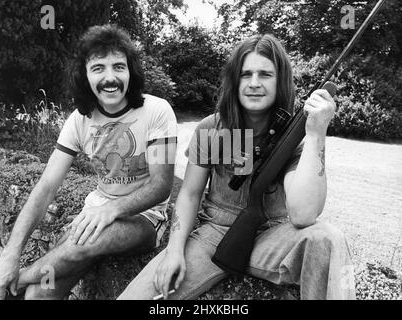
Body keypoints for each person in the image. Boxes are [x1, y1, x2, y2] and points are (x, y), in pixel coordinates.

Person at [118, 34, 356, 300]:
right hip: (213, 235)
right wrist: (174, 251)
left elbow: (303, 215)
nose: (254, 83)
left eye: (265, 74)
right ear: (235, 80)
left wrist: (315, 134)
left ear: (280, 81)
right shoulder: (211, 128)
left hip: (272, 236)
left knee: (329, 239)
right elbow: (189, 194)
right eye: (246, 74)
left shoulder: (293, 138)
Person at [0, 24, 177, 300]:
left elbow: (162, 186)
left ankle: (16, 280)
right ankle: (22, 282)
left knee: (85, 242)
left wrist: (112, 209)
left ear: (131, 71)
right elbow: (46, 187)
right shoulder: (79, 121)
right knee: (38, 294)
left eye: (119, 66)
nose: (110, 78)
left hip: (145, 219)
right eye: (98, 68)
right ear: (85, 76)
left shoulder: (157, 111)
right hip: (92, 214)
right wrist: (11, 252)